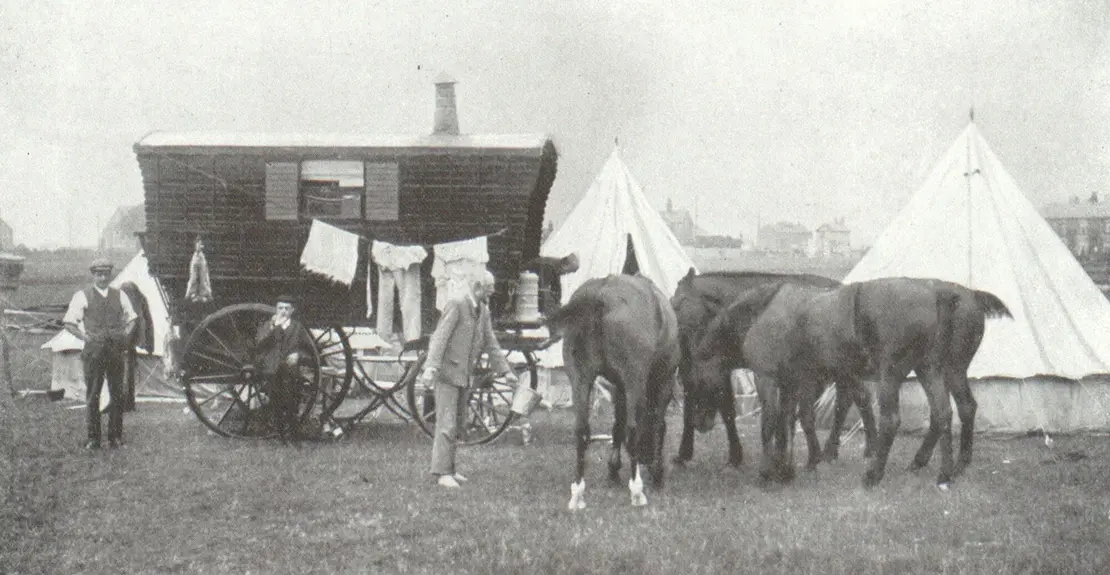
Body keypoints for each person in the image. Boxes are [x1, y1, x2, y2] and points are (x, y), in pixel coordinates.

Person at [421, 270, 518, 488]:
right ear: (476, 287)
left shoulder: (483, 311)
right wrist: (431, 368)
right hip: (447, 374)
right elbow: (439, 338)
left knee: (458, 423)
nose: (491, 294)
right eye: (488, 289)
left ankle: (450, 469)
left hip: (464, 375)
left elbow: (491, 342)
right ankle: (441, 472)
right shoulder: (456, 304)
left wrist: (506, 372)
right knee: (446, 423)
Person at [63, 258, 137, 450]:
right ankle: (94, 439)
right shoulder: (82, 295)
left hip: (115, 352)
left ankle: (115, 438)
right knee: (93, 395)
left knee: (117, 395)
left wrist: (124, 335)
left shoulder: (120, 295)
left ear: (110, 274)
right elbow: (69, 323)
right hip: (94, 352)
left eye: (106, 274)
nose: (103, 278)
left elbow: (132, 319)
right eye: (99, 274)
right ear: (93, 275)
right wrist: (85, 337)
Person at [255, 294, 307, 444]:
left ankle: (294, 437)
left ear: (292, 311)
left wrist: (298, 355)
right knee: (275, 403)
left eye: (287, 308)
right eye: (280, 308)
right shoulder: (268, 325)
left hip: (290, 371)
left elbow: (307, 349)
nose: (283, 311)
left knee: (292, 403)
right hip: (272, 370)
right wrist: (274, 327)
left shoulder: (298, 327)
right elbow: (260, 344)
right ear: (275, 310)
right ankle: (280, 436)